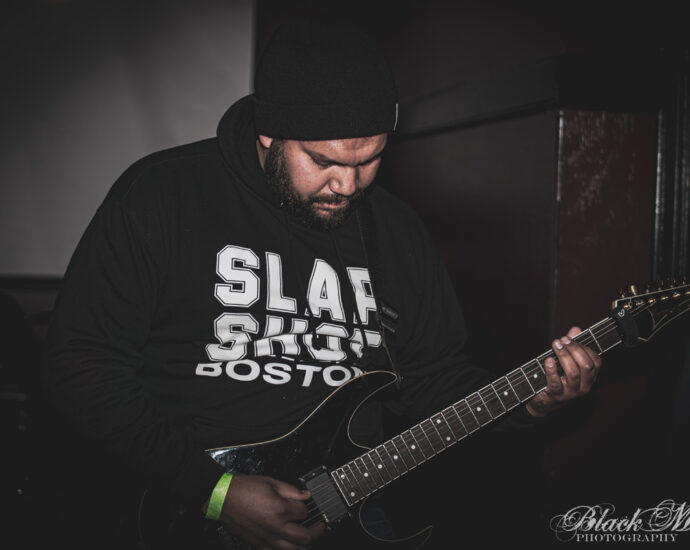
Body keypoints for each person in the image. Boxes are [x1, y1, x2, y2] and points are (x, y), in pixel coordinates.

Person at [42, 18, 602, 550]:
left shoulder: (396, 231)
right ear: (269, 134)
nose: (349, 185)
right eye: (323, 161)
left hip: (350, 510)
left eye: (370, 160)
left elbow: (432, 377)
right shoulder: (163, 195)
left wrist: (529, 404)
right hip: (178, 506)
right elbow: (81, 366)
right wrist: (214, 492)